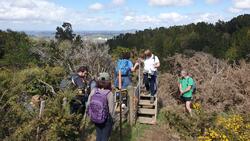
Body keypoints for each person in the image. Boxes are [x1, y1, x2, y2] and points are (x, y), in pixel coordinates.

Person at [87, 73, 114, 141]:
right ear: (108, 82)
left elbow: (88, 103)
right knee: (104, 137)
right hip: (106, 119)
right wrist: (112, 120)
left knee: (99, 135)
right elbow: (111, 110)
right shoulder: (109, 93)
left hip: (95, 116)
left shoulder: (94, 91)